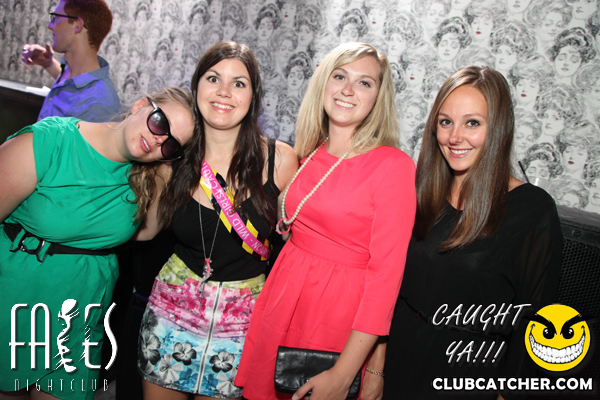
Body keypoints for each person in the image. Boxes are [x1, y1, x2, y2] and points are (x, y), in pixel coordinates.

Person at [235, 42, 417, 400]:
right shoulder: (310, 151)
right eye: (340, 76)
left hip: (336, 317)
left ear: (378, 97)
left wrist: (345, 374)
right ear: (324, 82)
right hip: (283, 302)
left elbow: (386, 281)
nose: (348, 89)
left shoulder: (393, 166)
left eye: (364, 82)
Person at [0, 87, 196, 400]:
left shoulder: (148, 173)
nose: (160, 139)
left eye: (172, 144)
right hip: (18, 296)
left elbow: (145, 232)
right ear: (140, 105)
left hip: (81, 308)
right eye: (160, 123)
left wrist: (166, 168)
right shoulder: (50, 142)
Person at [384, 66, 563, 399]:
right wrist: (374, 369)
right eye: (445, 122)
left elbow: (535, 325)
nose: (455, 137)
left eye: (472, 123)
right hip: (400, 359)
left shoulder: (532, 209)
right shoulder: (420, 192)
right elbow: (389, 292)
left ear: (498, 128)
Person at [135, 41, 298, 399]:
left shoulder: (280, 161)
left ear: (253, 97)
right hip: (171, 312)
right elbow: (146, 231)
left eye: (239, 83)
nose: (224, 91)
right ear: (197, 86)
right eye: (213, 78)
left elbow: (298, 245)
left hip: (242, 322)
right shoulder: (174, 157)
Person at [21, 0, 120, 123]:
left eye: (56, 18)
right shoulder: (73, 71)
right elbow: (73, 89)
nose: (50, 26)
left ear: (78, 25)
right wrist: (48, 64)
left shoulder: (98, 105)